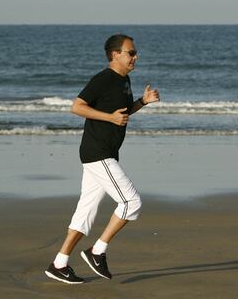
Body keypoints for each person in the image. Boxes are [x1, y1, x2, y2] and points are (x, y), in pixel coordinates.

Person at [44, 34, 160, 284]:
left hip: (104, 153)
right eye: (131, 52)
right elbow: (77, 107)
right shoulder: (103, 79)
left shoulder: (124, 80)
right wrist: (109, 119)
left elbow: (122, 113)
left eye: (135, 52)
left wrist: (142, 102)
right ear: (115, 54)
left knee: (85, 213)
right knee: (132, 202)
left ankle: (59, 264)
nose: (135, 57)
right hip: (98, 153)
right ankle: (97, 251)